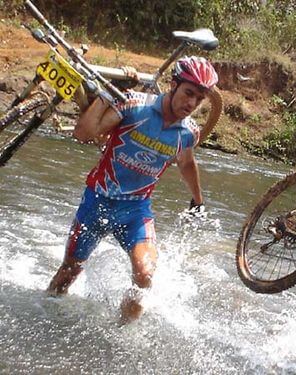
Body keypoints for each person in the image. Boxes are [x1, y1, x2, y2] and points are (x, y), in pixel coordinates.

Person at [47, 56, 219, 323]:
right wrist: (108, 93)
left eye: (199, 99)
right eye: (188, 93)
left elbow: (186, 163)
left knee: (145, 276)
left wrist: (198, 200)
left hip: (135, 211)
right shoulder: (134, 105)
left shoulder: (189, 132)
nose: (192, 104)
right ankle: (48, 315)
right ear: (173, 85)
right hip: (98, 200)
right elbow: (83, 133)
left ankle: (123, 336)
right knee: (69, 271)